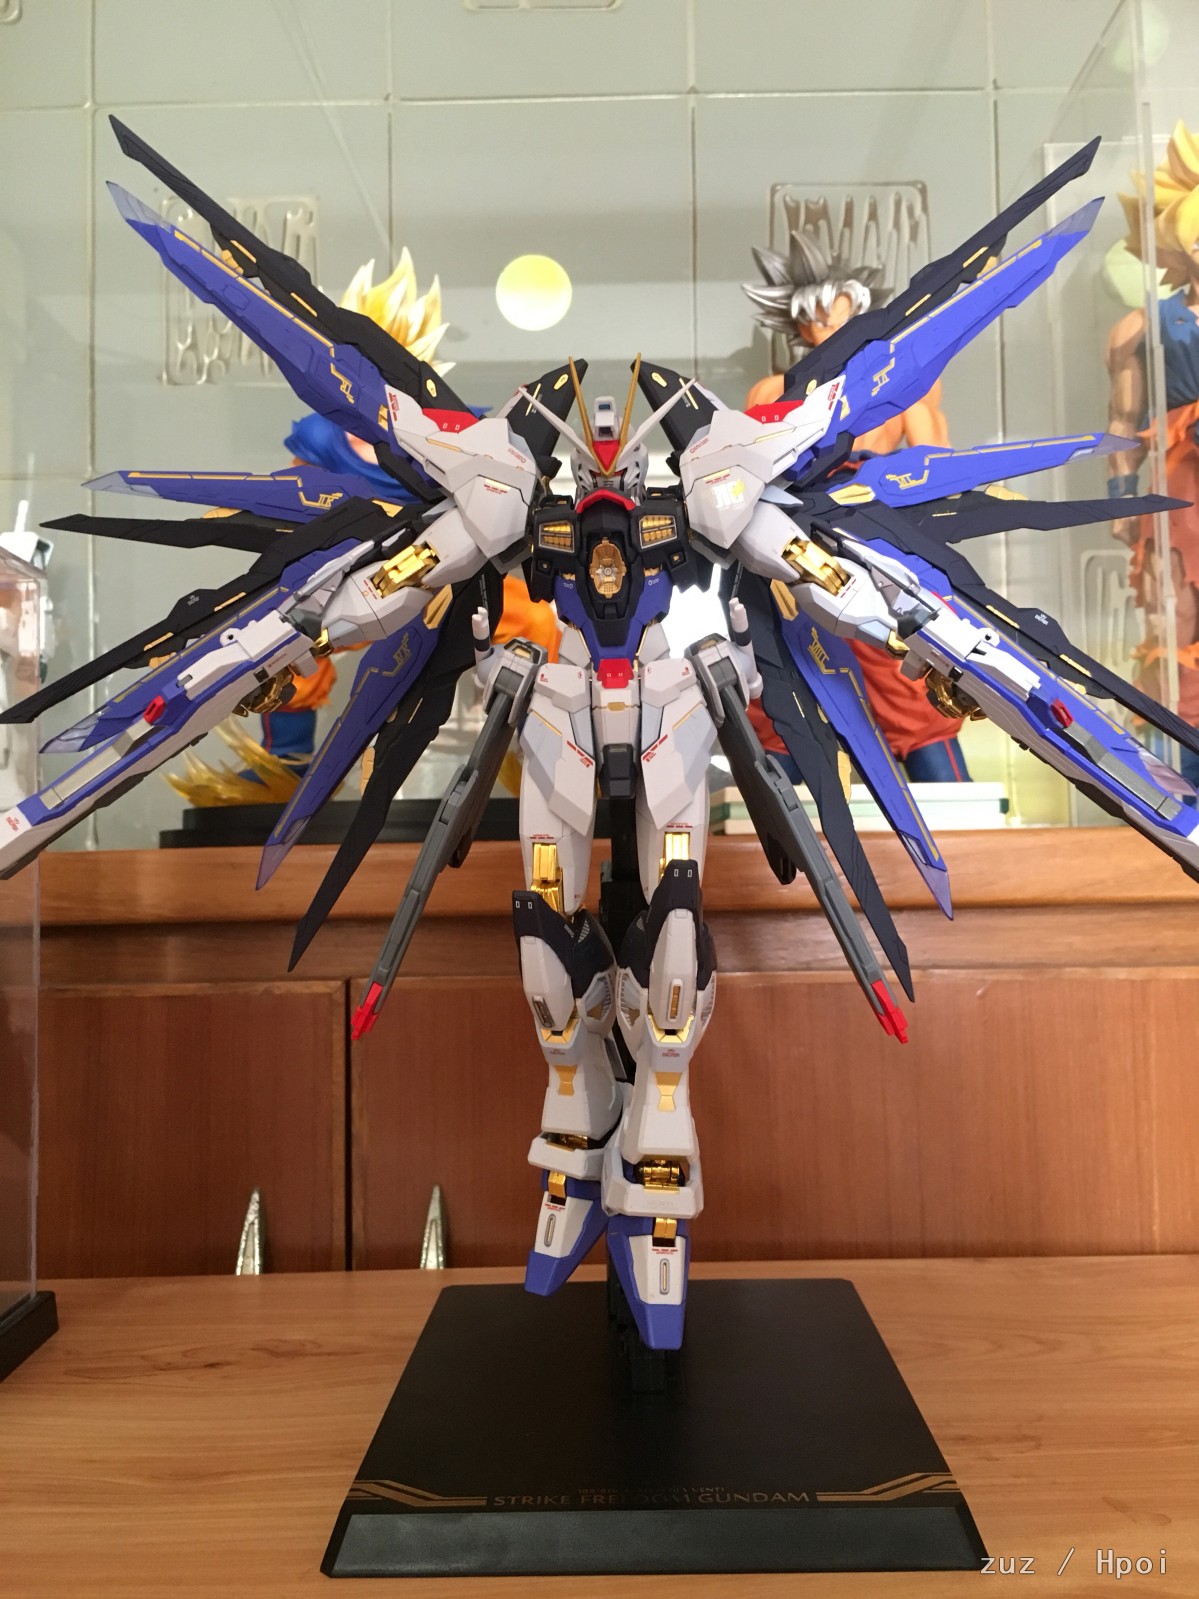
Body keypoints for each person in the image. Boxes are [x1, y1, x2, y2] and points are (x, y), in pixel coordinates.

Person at [743, 218, 969, 782]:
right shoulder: (774, 392)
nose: (826, 328)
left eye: (837, 315)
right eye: (815, 318)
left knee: (902, 678)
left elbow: (936, 468)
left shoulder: (901, 386)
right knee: (792, 679)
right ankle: (781, 800)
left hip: (873, 540)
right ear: (797, 323)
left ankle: (953, 806)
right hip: (795, 547)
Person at [1107, 121, 1199, 788]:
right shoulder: (1143, 326)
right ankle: (1181, 769)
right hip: (1178, 489)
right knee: (1175, 618)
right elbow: (1121, 423)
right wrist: (1118, 503)